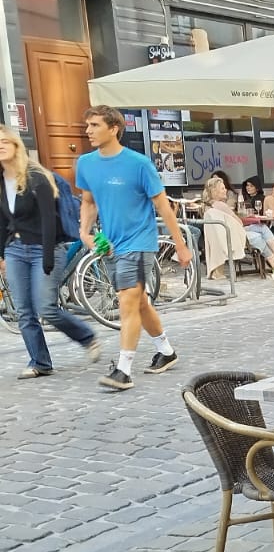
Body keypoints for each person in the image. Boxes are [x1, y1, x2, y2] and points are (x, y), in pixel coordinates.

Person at [75, 105, 193, 392]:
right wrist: (84, 232)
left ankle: (123, 370)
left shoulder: (139, 164)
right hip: (109, 245)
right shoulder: (86, 163)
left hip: (139, 243)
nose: (88, 130)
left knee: (127, 301)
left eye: (94, 125)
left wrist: (181, 245)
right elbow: (89, 201)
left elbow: (163, 206)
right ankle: (166, 351)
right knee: (139, 302)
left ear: (114, 128)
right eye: (87, 125)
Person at [0, 127, 99, 376]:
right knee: (24, 311)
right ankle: (40, 362)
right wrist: (1, 254)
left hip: (44, 249)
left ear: (16, 145)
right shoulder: (1, 181)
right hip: (15, 250)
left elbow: (48, 220)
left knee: (46, 308)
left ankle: (86, 337)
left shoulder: (36, 176)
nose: (0, 146)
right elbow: (1, 222)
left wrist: (46, 257)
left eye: (4, 141)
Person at [202, 174, 274, 277]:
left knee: (262, 229)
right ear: (214, 191)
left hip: (229, 234)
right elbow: (239, 222)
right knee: (260, 235)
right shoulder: (221, 206)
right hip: (235, 236)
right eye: (223, 188)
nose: (226, 190)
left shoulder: (210, 206)